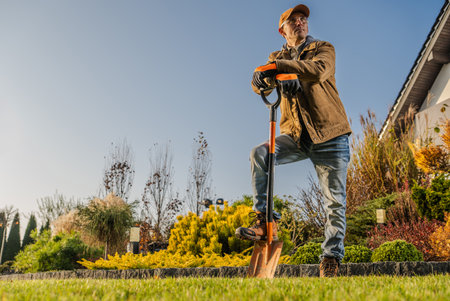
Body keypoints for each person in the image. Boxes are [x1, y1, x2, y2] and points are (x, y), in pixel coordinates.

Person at [235, 4, 352, 277]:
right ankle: (264, 221)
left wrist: (279, 69)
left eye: (303, 19)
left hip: (330, 134)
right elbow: (260, 82)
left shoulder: (323, 48)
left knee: (334, 202)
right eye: (293, 20)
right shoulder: (276, 56)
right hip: (296, 135)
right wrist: (260, 79)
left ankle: (331, 258)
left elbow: (319, 70)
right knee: (259, 154)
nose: (300, 23)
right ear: (282, 30)